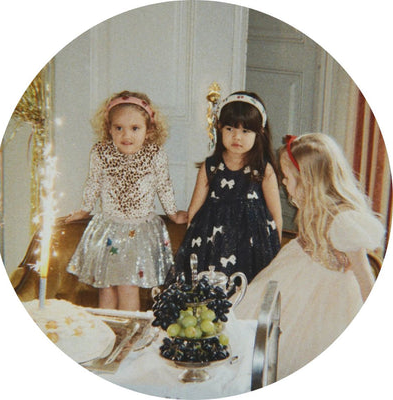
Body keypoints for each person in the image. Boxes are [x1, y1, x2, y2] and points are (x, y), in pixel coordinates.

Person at [233, 133, 385, 380]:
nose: (283, 182)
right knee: (261, 323)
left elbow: (365, 277)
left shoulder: (343, 221)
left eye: (288, 177)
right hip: (294, 275)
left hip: (327, 297)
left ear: (308, 181)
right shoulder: (312, 206)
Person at [66, 90, 187, 311]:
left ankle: (129, 329)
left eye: (135, 128)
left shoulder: (155, 154)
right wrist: (84, 210)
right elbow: (93, 183)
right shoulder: (101, 152)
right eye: (118, 128)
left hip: (138, 232)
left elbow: (164, 185)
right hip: (109, 229)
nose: (126, 135)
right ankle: (107, 330)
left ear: (149, 130)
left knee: (128, 286)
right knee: (106, 287)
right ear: (108, 128)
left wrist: (173, 213)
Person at [165, 91, 282, 285]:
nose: (237, 137)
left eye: (245, 131)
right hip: (213, 241)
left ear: (259, 132)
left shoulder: (263, 169)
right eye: (230, 129)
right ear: (219, 128)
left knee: (248, 285)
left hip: (251, 244)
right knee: (212, 284)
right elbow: (194, 209)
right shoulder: (211, 166)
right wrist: (193, 244)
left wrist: (275, 251)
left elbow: (276, 215)